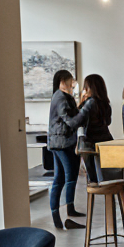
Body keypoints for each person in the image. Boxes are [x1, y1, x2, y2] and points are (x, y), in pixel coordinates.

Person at [62, 73, 117, 190]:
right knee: (108, 179)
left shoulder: (90, 103)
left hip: (90, 145)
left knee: (94, 181)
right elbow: (108, 122)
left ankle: (92, 198)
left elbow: (77, 121)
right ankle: (109, 199)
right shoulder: (106, 104)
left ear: (90, 88)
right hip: (106, 141)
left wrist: (78, 106)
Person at [46, 69, 83, 230]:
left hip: (61, 141)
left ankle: (66, 212)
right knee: (68, 176)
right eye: (70, 81)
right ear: (62, 82)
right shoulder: (60, 97)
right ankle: (65, 215)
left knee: (61, 177)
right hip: (61, 142)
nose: (72, 84)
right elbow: (70, 120)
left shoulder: (63, 96)